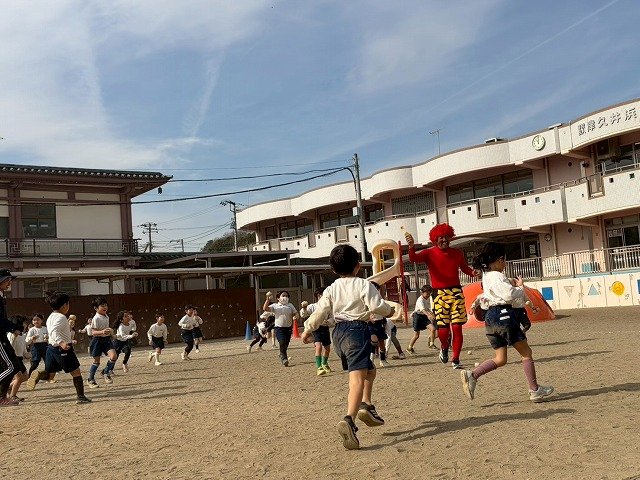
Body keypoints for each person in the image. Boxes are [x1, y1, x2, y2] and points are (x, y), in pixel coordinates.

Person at [301, 245, 394, 450]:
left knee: (370, 371)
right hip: (357, 332)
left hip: (339, 335)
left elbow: (320, 311)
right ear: (358, 266)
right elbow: (376, 306)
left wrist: (307, 329)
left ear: (333, 269)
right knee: (357, 379)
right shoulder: (364, 284)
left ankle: (366, 405)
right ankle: (349, 419)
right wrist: (389, 311)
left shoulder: (331, 288)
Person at [460, 242, 554, 402]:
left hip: (490, 318)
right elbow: (509, 294)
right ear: (499, 260)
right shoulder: (497, 276)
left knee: (500, 358)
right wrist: (521, 288)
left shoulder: (486, 276)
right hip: (503, 315)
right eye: (504, 260)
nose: (504, 264)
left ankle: (473, 375)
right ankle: (535, 390)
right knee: (526, 352)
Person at [405, 224, 479, 369]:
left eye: (446, 237)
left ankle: (455, 359)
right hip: (439, 294)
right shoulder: (429, 253)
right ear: (435, 239)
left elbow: (465, 268)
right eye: (441, 237)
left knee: (457, 328)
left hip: (456, 293)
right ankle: (444, 347)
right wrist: (411, 246)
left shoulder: (457, 253)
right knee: (443, 330)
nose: (444, 240)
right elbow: (413, 258)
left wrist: (473, 273)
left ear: (450, 237)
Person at [25, 291, 91, 404]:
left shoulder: (51, 316)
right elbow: (54, 331)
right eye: (68, 304)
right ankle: (81, 397)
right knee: (76, 372)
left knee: (50, 375)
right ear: (64, 305)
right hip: (62, 349)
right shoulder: (61, 317)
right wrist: (62, 343)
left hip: (51, 349)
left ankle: (39, 375)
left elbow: (53, 331)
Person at [0, 269, 27, 407]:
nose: (9, 283)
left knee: (13, 366)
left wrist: (13, 328)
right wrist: (14, 327)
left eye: (9, 280)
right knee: (11, 367)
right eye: (6, 280)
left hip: (2, 336)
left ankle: (2, 398)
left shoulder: (1, 296)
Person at [300, 287, 335, 375]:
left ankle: (324, 363)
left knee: (327, 348)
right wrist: (304, 308)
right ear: (318, 295)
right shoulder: (313, 306)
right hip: (316, 328)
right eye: (323, 294)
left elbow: (332, 318)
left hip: (325, 328)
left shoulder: (329, 307)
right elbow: (303, 314)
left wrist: (328, 321)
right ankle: (319, 367)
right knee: (318, 346)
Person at [263, 291, 298, 367]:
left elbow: (295, 312)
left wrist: (296, 316)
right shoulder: (275, 306)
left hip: (288, 328)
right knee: (282, 342)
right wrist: (267, 300)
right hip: (279, 328)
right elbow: (265, 308)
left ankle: (281, 353)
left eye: (286, 296)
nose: (285, 297)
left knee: (286, 344)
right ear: (278, 298)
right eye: (283, 295)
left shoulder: (290, 305)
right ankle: (284, 359)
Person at [87, 296, 117, 388]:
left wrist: (110, 332)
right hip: (97, 341)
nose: (105, 307)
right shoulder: (96, 318)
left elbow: (106, 329)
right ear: (96, 308)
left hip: (106, 340)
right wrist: (102, 332)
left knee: (113, 356)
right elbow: (93, 332)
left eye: (106, 305)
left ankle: (105, 372)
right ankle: (90, 379)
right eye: (102, 306)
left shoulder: (106, 316)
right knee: (96, 362)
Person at [407, 285, 436, 354]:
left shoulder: (428, 298)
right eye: (427, 293)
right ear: (422, 293)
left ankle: (431, 344)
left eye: (429, 293)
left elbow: (427, 308)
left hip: (424, 317)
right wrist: (428, 315)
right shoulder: (420, 300)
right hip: (417, 317)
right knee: (417, 335)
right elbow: (422, 309)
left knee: (433, 329)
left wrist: (431, 313)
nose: (428, 295)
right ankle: (409, 348)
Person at [7, 317, 30, 402]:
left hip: (19, 359)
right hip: (12, 359)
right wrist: (14, 337)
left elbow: (23, 348)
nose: (25, 325)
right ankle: (13, 396)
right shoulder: (10, 335)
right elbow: (9, 348)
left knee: (26, 377)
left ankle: (9, 387)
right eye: (24, 323)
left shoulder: (22, 335)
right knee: (19, 378)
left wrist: (26, 354)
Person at [368, 282, 389, 368]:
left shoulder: (380, 299)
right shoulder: (367, 299)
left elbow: (385, 310)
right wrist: (368, 318)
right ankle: (371, 360)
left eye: (377, 289)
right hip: (370, 323)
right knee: (374, 341)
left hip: (380, 322)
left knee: (381, 342)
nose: (376, 290)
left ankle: (382, 360)